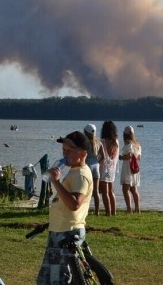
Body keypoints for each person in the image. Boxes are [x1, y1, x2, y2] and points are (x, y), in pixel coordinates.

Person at [37, 130, 93, 285]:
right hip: (60, 231)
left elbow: (74, 204)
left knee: (57, 280)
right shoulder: (74, 171)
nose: (65, 154)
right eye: (64, 150)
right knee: (45, 279)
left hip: (67, 233)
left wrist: (56, 182)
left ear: (83, 153)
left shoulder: (81, 174)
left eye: (69, 151)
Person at [83, 124, 104, 215]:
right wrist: (98, 162)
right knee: (96, 191)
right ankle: (97, 211)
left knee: (84, 189)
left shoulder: (84, 142)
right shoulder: (98, 142)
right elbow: (103, 156)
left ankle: (84, 210)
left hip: (87, 165)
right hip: (96, 165)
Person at [120, 125, 142, 214]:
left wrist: (121, 157)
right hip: (135, 169)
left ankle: (129, 209)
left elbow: (128, 156)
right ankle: (138, 208)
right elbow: (139, 157)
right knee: (134, 189)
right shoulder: (137, 145)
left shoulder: (128, 144)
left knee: (125, 189)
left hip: (127, 168)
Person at [99, 121, 119, 216]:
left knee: (104, 192)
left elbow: (100, 156)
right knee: (111, 191)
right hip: (113, 168)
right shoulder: (116, 142)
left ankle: (108, 211)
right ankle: (114, 211)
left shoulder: (102, 141)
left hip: (104, 168)